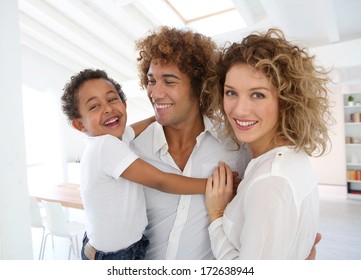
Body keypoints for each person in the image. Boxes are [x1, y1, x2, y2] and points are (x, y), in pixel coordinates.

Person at [205, 28, 333, 259]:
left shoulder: (271, 182)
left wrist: (217, 215)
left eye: (258, 95)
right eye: (231, 93)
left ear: (286, 100)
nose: (239, 110)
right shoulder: (292, 157)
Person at [61, 68, 209, 260]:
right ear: (80, 125)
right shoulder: (105, 146)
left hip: (115, 247)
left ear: (124, 105)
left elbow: (134, 129)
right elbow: (160, 180)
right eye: (94, 106)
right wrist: (210, 185)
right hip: (115, 256)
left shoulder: (115, 138)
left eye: (112, 99)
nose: (107, 108)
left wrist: (162, 114)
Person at [132, 26, 251, 259]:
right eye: (151, 80)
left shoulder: (236, 148)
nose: (155, 93)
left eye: (169, 81)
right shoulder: (133, 149)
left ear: (199, 86)